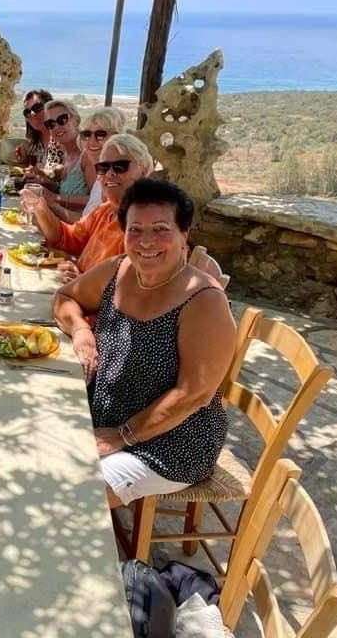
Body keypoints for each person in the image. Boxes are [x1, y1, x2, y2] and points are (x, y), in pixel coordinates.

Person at [53, 179, 235, 507]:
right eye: (135, 230)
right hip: (104, 415)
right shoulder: (118, 270)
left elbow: (193, 394)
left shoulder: (204, 300)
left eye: (161, 229)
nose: (146, 242)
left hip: (172, 444)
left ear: (184, 235)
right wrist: (81, 329)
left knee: (76, 493)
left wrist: (122, 435)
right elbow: (65, 297)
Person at [21, 133, 153, 283]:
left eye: (119, 167)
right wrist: (40, 208)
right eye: (103, 168)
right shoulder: (106, 210)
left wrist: (82, 283)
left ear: (143, 170)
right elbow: (68, 238)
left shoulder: (145, 225)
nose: (110, 174)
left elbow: (130, 289)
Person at [23, 99, 85, 198]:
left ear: (76, 120)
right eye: (50, 124)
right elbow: (64, 191)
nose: (56, 127)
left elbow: (96, 202)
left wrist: (53, 198)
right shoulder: (66, 153)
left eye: (62, 120)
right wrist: (43, 183)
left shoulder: (87, 155)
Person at [15, 88, 53, 167]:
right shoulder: (33, 146)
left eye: (37, 108)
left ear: (50, 108)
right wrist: (24, 160)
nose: (32, 114)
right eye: (27, 112)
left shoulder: (62, 140)